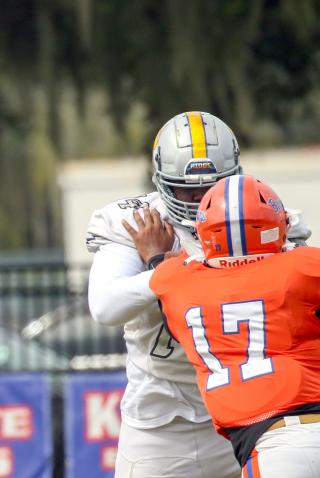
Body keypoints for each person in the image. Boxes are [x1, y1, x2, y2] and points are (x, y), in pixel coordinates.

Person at [85, 111, 310, 478]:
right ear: (161, 182)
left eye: (210, 186)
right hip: (160, 421)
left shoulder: (259, 214)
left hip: (251, 413)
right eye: (185, 189)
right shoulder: (140, 223)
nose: (198, 199)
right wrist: (169, 273)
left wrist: (174, 266)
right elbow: (106, 307)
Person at [149, 175, 320, 477]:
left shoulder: (173, 282)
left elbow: (169, 275)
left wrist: (155, 257)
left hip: (276, 446)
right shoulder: (302, 268)